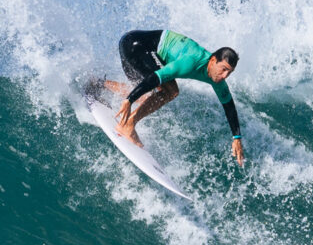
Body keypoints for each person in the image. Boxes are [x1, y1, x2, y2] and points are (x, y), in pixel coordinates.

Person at [102, 29, 245, 166]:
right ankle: (128, 125)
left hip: (133, 43)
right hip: (135, 46)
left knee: (147, 93)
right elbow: (156, 77)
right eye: (224, 69)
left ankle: (100, 84)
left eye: (229, 72)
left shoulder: (218, 79)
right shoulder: (192, 62)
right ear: (213, 60)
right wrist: (129, 100)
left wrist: (236, 138)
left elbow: (229, 106)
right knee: (171, 91)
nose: (225, 76)